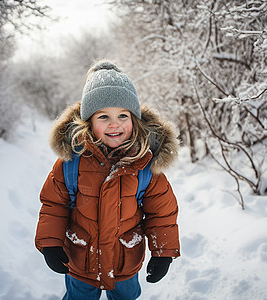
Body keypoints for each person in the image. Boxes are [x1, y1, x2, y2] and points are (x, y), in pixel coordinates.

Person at [35, 60, 180, 300]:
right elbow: (54, 205)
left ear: (134, 119)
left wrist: (163, 251)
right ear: (89, 121)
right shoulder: (72, 162)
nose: (115, 124)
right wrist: (50, 242)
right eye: (103, 116)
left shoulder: (145, 164)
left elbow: (161, 213)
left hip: (125, 261)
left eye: (123, 115)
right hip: (81, 260)